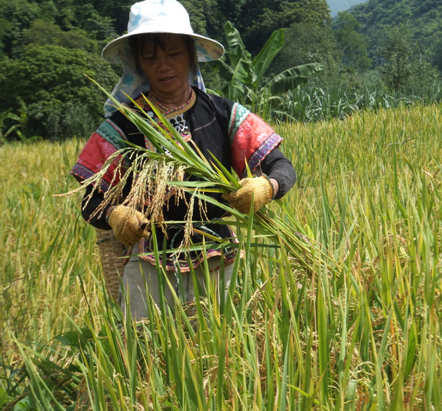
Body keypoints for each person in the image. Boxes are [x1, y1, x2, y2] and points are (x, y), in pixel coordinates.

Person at [71, 0, 296, 320]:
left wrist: (267, 186)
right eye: (150, 57)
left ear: (191, 55)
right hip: (150, 265)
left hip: (220, 260)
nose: (163, 65)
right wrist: (115, 215)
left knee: (229, 348)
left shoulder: (222, 114)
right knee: (143, 355)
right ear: (138, 63)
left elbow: (282, 166)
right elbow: (90, 201)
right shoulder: (124, 127)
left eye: (173, 54)